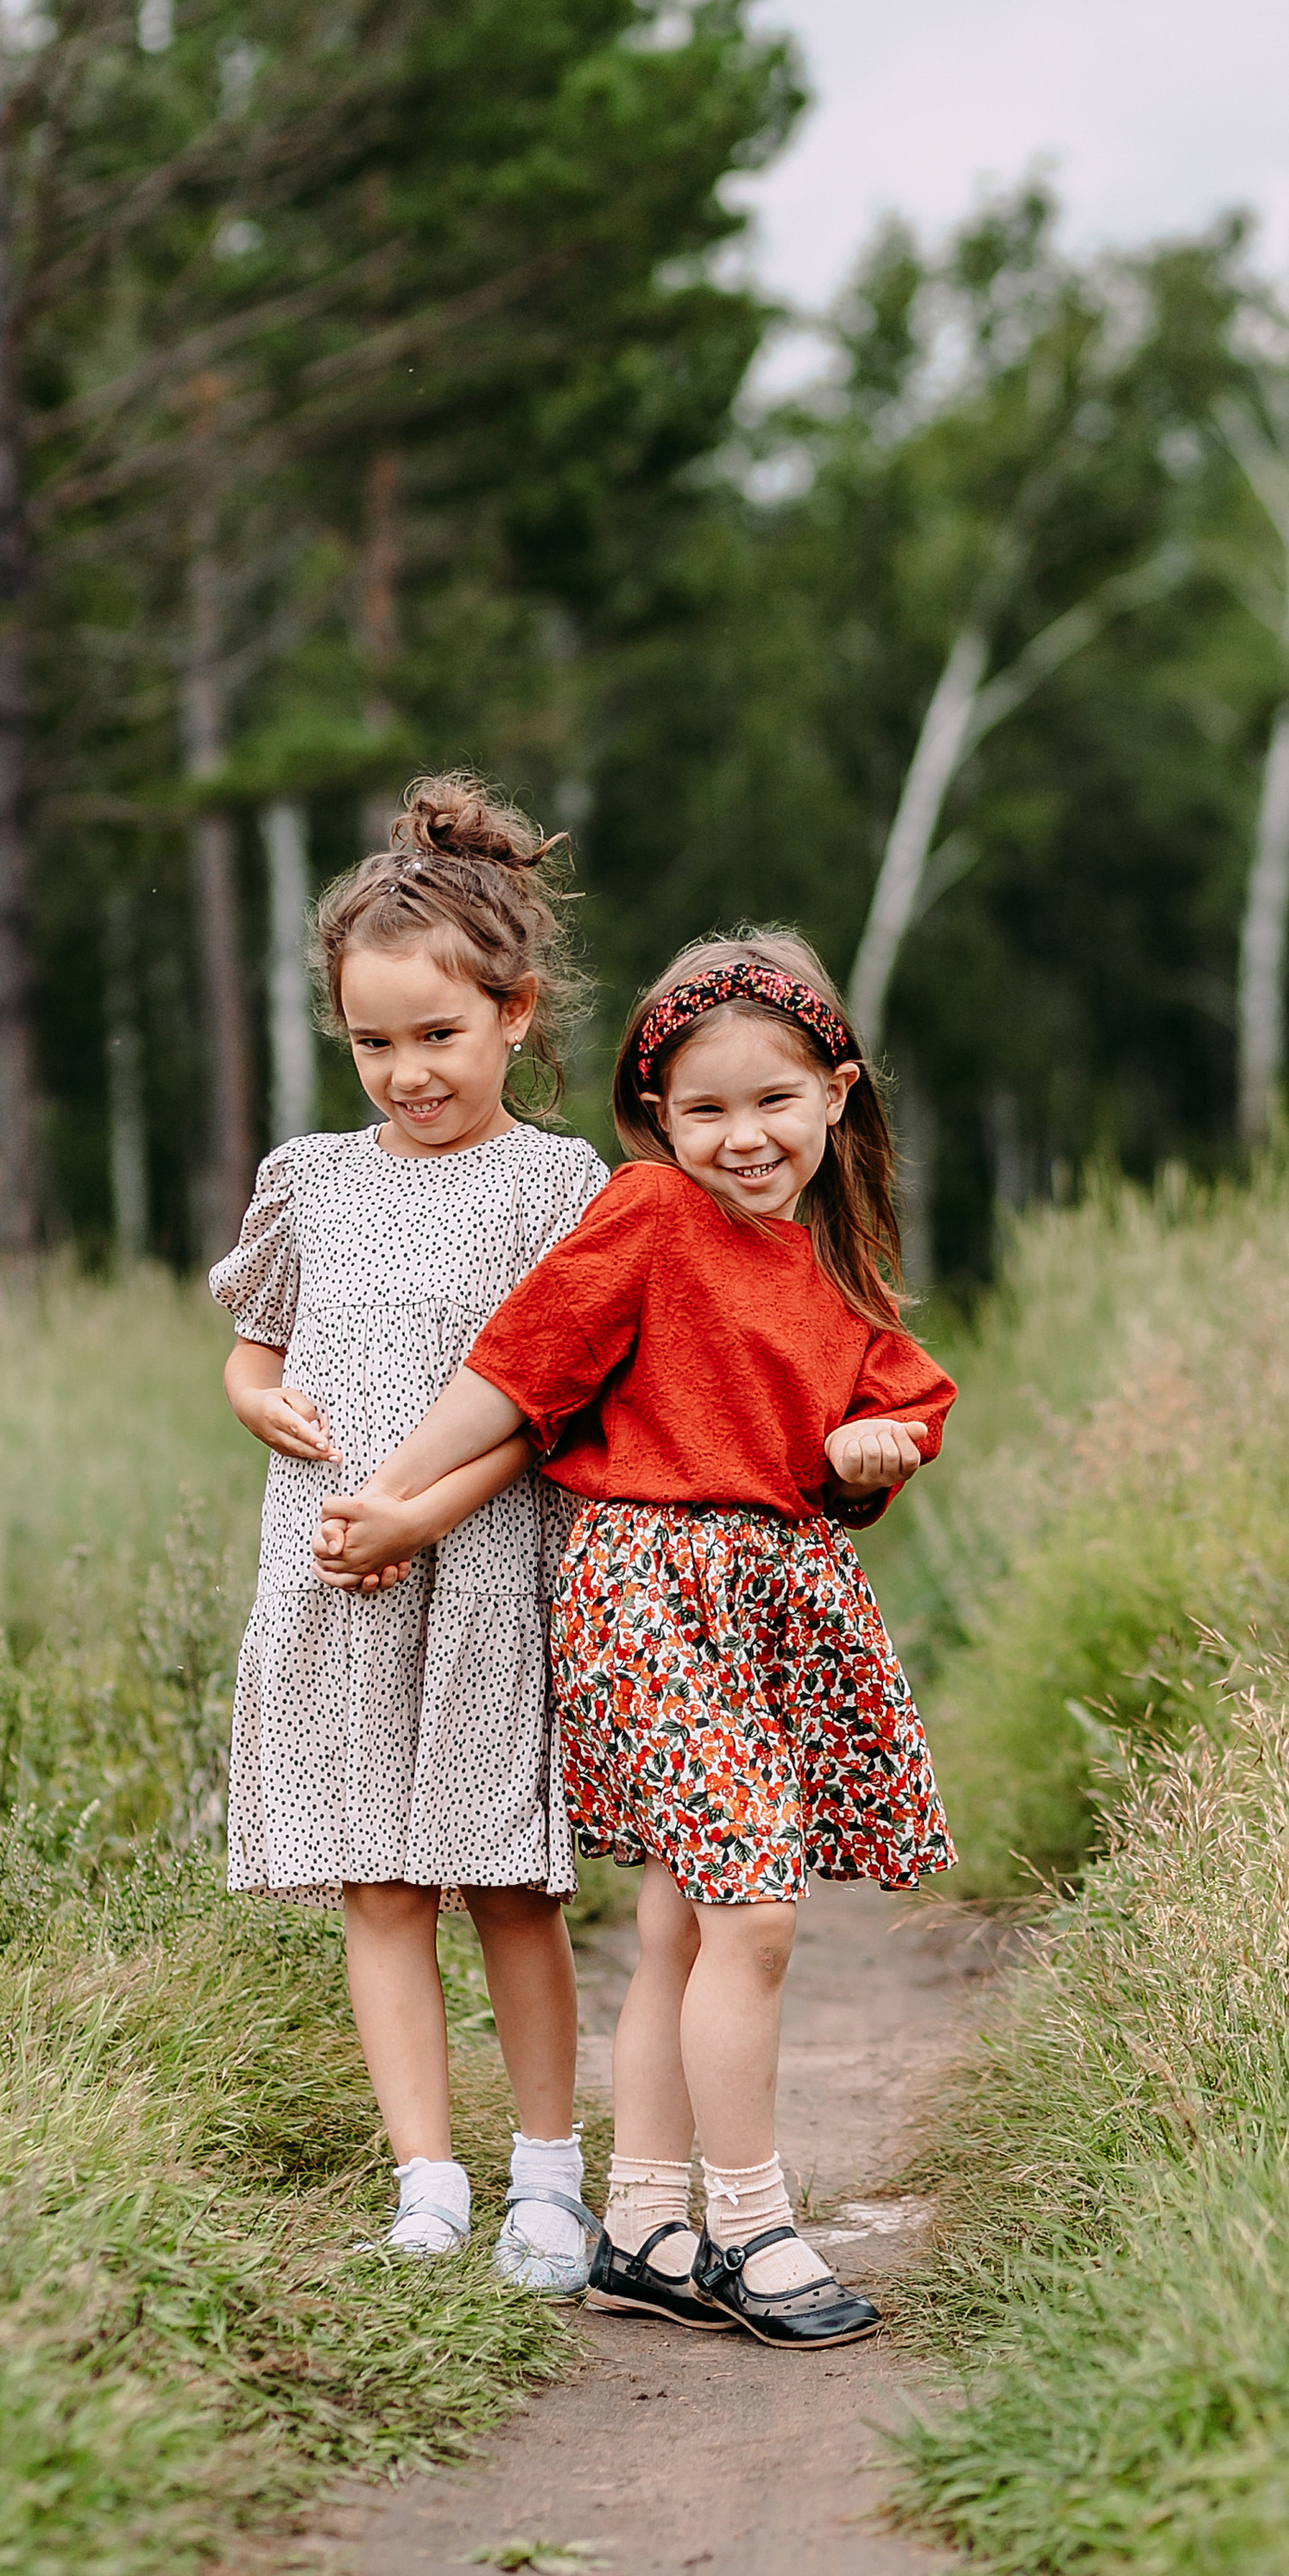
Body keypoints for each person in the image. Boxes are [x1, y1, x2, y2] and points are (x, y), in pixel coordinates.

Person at [314, 928, 955, 2349]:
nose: (744, 1138)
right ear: (658, 1116)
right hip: (646, 1592)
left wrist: (869, 1455)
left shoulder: (841, 1273)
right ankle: (752, 2224)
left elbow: (894, 1418)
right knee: (753, 1908)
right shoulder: (648, 1217)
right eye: (707, 1109)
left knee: (686, 1914)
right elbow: (516, 1373)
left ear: (837, 1093)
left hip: (776, 1606)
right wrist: (397, 1495)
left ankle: (648, 2225)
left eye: (775, 1102)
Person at [210, 774, 608, 2294]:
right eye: (373, 1043)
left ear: (512, 1014)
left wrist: (419, 1512)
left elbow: (543, 1404)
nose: (405, 1074)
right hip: (336, 1579)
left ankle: (550, 2183)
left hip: (489, 1574)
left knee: (508, 1879)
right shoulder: (312, 1183)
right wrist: (257, 1404)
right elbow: (255, 1347)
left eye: (435, 1037)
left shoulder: (553, 1185)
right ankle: (427, 2180)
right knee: (382, 1883)